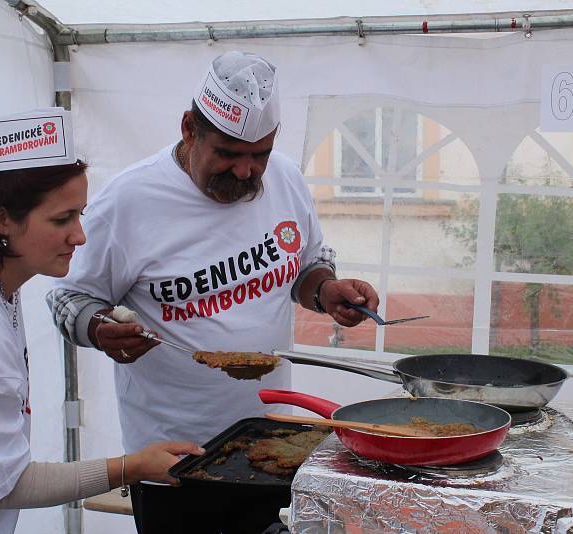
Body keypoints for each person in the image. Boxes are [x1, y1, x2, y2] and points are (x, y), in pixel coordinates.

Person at [47, 52, 379, 534]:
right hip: (173, 460)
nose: (246, 172)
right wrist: (101, 331)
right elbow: (67, 298)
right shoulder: (129, 202)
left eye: (258, 155)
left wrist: (325, 290)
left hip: (270, 440)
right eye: (227, 153)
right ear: (189, 128)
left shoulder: (284, 177)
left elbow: (307, 262)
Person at [0, 108, 203, 534]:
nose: (80, 236)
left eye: (80, 215)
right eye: (60, 219)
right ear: (3, 221)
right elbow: (2, 484)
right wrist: (131, 466)